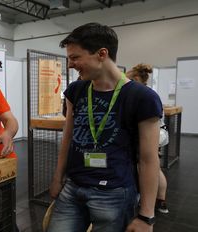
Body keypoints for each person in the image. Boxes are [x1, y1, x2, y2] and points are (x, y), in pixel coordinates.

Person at [48, 22, 162, 232]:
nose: (70, 65)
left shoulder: (143, 97)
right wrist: (57, 178)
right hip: (73, 187)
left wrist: (146, 216)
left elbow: (148, 159)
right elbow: (68, 136)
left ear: (101, 54)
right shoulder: (76, 90)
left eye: (75, 57)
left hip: (115, 193)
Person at [126, 63, 169, 214]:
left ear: (136, 78)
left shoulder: (142, 94)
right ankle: (161, 202)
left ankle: (144, 201)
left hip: (154, 135)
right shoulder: (148, 92)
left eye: (128, 80)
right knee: (155, 167)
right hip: (159, 134)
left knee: (147, 166)